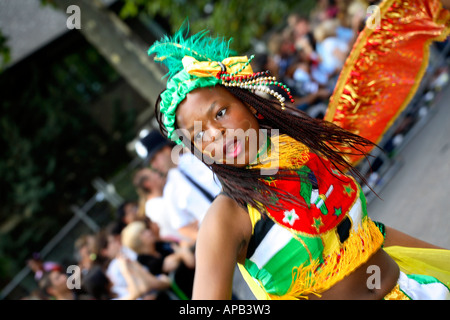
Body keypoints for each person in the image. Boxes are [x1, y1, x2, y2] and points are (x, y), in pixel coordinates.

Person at [147, 0, 450, 300]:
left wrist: (443, 260)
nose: (217, 134)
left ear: (247, 102)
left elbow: (371, 235)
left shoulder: (303, 149)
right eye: (199, 135)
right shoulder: (227, 217)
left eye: (221, 112)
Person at [140, 129, 222, 245]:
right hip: (219, 231)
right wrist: (208, 239)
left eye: (154, 158)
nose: (154, 165)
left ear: (166, 149)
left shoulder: (199, 158)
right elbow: (181, 225)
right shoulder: (170, 191)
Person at [121, 220, 195, 299]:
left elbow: (184, 247)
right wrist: (181, 253)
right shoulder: (143, 261)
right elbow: (169, 264)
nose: (149, 232)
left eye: (146, 229)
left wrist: (180, 253)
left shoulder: (159, 244)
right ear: (137, 241)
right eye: (143, 232)